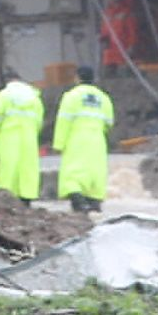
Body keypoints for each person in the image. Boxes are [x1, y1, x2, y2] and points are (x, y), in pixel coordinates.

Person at [53, 66, 116, 212]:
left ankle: (79, 201)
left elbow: (64, 121)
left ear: (77, 78)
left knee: (73, 171)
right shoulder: (103, 98)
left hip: (76, 139)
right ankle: (94, 203)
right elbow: (109, 123)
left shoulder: (71, 96)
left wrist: (59, 144)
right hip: (97, 140)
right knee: (95, 171)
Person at [0, 74, 46, 202]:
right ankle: (26, 197)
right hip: (29, 138)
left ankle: (4, 197)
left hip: (8, 137)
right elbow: (39, 122)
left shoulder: (2, 97)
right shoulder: (35, 99)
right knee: (27, 168)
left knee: (6, 168)